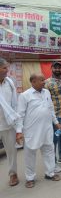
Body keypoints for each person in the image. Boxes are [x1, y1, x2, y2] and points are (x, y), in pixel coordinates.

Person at [17, 73, 61, 188]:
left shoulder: (46, 92)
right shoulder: (25, 95)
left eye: (44, 80)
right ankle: (30, 178)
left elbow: (51, 109)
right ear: (33, 82)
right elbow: (20, 115)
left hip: (47, 129)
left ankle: (50, 173)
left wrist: (56, 123)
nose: (44, 82)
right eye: (41, 80)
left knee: (49, 150)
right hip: (31, 130)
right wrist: (19, 131)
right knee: (30, 154)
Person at [0, 57, 21, 186]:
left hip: (8, 123)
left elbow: (15, 105)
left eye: (7, 67)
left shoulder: (9, 83)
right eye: (4, 68)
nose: (7, 70)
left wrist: (18, 128)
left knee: (11, 151)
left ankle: (13, 174)